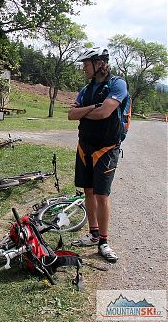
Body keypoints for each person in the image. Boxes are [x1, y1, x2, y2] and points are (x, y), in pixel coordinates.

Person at [68, 47, 128, 263]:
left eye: (87, 64)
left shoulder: (117, 84)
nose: (84, 67)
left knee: (102, 195)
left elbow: (106, 113)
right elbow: (71, 114)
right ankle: (93, 234)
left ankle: (103, 241)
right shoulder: (86, 89)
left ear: (100, 63)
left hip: (106, 148)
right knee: (88, 191)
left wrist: (86, 111)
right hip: (85, 146)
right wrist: (93, 107)